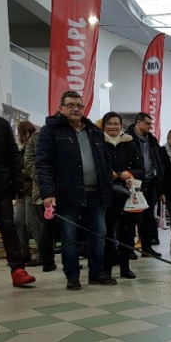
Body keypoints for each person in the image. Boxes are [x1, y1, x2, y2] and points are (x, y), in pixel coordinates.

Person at [36, 91, 115, 290]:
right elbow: (44, 163)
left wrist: (107, 184)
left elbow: (105, 162)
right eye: (70, 105)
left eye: (79, 105)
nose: (75, 109)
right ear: (61, 108)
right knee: (69, 237)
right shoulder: (51, 130)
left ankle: (97, 273)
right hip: (66, 193)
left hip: (96, 192)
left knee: (99, 233)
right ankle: (72, 276)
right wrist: (48, 192)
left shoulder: (94, 131)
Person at [0, 106, 36, 287]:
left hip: (0, 185)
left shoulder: (0, 125)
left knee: (9, 226)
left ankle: (18, 270)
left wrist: (17, 185)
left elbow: (13, 157)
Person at [101, 112, 145, 279]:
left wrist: (129, 174)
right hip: (105, 194)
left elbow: (141, 169)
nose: (113, 126)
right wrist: (107, 173)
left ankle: (125, 268)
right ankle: (106, 269)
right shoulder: (98, 143)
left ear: (121, 126)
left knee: (126, 233)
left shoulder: (130, 144)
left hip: (127, 195)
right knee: (106, 232)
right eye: (109, 123)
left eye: (116, 123)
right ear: (104, 125)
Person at [127, 112, 164, 257]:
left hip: (150, 182)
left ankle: (146, 247)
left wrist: (160, 185)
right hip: (134, 182)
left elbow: (158, 162)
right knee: (132, 217)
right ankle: (129, 248)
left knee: (148, 217)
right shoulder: (128, 139)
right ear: (138, 122)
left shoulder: (152, 140)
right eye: (148, 123)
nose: (150, 126)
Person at [23, 122, 57, 272]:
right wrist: (42, 178)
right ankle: (47, 260)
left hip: (61, 187)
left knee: (53, 226)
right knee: (47, 225)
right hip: (45, 189)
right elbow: (30, 161)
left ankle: (49, 260)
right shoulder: (39, 137)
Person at [15, 120, 42, 265]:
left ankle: (43, 254)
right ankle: (23, 253)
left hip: (31, 189)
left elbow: (33, 167)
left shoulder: (33, 143)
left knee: (33, 223)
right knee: (18, 221)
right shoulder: (20, 148)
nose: (23, 135)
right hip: (20, 190)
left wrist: (18, 173)